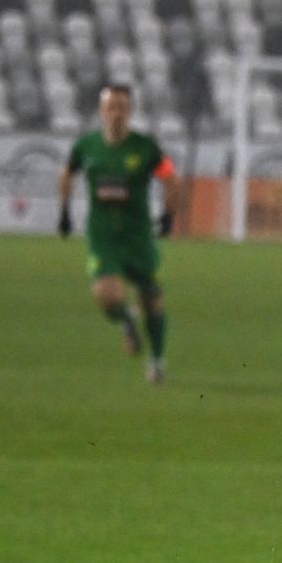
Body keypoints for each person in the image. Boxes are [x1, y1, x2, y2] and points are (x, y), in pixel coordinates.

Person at [59, 83, 180, 384]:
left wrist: (168, 214)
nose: (116, 113)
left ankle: (157, 361)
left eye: (122, 108)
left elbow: (169, 176)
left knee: (152, 300)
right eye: (111, 107)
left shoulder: (145, 148)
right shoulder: (86, 146)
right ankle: (127, 321)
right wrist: (64, 211)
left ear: (130, 111)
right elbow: (67, 172)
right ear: (101, 111)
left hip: (138, 237)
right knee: (106, 294)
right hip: (104, 238)